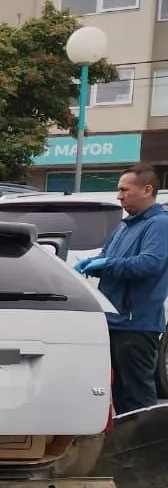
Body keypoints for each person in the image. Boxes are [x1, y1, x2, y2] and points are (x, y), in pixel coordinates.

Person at [76, 162, 168, 414]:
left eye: (125, 190)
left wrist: (106, 264)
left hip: (137, 324)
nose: (119, 196)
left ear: (147, 190)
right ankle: (125, 450)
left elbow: (149, 264)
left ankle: (146, 450)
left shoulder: (159, 224)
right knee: (118, 394)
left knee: (137, 397)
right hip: (115, 321)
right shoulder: (125, 225)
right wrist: (94, 264)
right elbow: (108, 257)